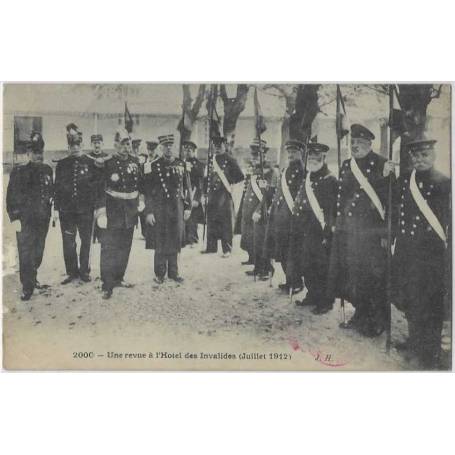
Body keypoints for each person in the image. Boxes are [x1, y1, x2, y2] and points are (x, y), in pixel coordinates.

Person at [386, 138, 451, 369]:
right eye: (416, 155)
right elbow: (394, 207)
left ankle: (429, 351)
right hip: (406, 251)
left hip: (430, 255)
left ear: (433, 155)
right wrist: (388, 176)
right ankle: (415, 340)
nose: (420, 159)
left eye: (424, 155)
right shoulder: (405, 180)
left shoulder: (444, 183)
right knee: (411, 298)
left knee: (430, 302)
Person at [327, 124, 388, 337]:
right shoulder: (346, 165)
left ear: (370, 143)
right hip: (349, 231)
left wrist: (385, 234)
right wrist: (339, 224)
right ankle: (361, 314)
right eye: (353, 142)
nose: (355, 146)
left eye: (360, 143)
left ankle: (376, 320)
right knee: (354, 275)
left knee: (372, 276)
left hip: (371, 233)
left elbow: (390, 203)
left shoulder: (382, 164)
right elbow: (341, 198)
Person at [289, 142, 338, 314]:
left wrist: (329, 231)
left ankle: (325, 301)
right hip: (304, 229)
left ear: (324, 158)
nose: (312, 160)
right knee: (307, 264)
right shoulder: (307, 177)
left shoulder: (330, 180)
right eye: (309, 157)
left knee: (321, 266)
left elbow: (333, 209)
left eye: (316, 158)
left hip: (320, 231)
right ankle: (312, 294)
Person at [6, 132, 53, 300]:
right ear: (28, 153)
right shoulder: (18, 172)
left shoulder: (47, 170)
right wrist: (15, 218)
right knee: (26, 252)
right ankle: (27, 287)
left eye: (40, 152)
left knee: (38, 252)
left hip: (42, 219)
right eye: (34, 152)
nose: (37, 155)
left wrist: (50, 212)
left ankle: (32, 278)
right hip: (25, 221)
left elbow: (49, 192)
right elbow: (11, 197)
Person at [98, 129, 142, 299]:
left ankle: (119, 278)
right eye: (122, 144)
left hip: (130, 211)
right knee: (109, 248)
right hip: (113, 211)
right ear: (115, 145)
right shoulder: (108, 163)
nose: (126, 147)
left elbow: (141, 185)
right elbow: (100, 189)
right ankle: (107, 283)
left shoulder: (135, 162)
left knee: (125, 247)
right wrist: (101, 212)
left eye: (128, 144)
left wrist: (142, 201)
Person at [54, 123, 100, 284]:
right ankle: (71, 272)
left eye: (78, 145)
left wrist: (97, 207)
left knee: (86, 240)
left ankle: (84, 271)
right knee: (68, 241)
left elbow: (97, 187)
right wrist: (56, 209)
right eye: (72, 145)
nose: (75, 148)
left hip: (86, 210)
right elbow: (57, 188)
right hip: (67, 211)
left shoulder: (91, 162)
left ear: (83, 145)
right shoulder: (62, 164)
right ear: (68, 147)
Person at [142, 134, 191, 283]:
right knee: (161, 240)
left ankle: (173, 272)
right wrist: (149, 211)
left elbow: (187, 187)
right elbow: (148, 191)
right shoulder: (154, 166)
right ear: (161, 148)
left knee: (175, 239)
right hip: (160, 208)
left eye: (171, 146)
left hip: (177, 208)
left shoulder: (181, 164)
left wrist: (188, 207)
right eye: (165, 146)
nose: (168, 149)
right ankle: (160, 273)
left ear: (174, 147)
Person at [264, 139, 305, 293]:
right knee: (281, 249)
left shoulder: (303, 171)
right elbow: (279, 193)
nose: (291, 155)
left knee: (292, 252)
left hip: (292, 218)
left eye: (294, 152)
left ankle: (297, 283)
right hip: (280, 216)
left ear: (301, 153)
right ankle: (289, 281)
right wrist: (273, 209)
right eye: (289, 152)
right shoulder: (285, 170)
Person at [240, 138, 277, 280]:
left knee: (263, 242)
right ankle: (257, 267)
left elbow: (269, 194)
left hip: (262, 212)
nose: (254, 157)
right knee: (254, 240)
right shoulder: (254, 170)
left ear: (264, 155)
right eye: (253, 154)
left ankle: (267, 269)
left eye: (258, 155)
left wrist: (259, 210)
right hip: (251, 212)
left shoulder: (270, 171)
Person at [201, 136, 244, 257]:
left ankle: (227, 249)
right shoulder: (211, 160)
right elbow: (206, 179)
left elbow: (240, 176)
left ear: (224, 146)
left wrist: (229, 182)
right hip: (212, 195)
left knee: (226, 222)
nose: (217, 148)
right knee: (211, 220)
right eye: (215, 146)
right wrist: (205, 194)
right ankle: (211, 247)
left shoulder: (230, 159)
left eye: (219, 146)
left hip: (225, 195)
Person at [182, 140, 204, 246]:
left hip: (193, 192)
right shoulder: (181, 163)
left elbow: (200, 183)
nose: (187, 152)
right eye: (185, 150)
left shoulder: (199, 165)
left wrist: (197, 198)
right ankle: (184, 238)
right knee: (183, 214)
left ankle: (193, 238)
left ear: (194, 151)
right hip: (183, 192)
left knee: (192, 216)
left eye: (190, 150)